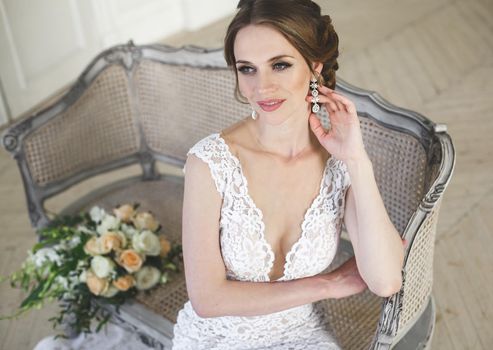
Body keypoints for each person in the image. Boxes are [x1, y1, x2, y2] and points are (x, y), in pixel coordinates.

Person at [173, 0, 405, 348]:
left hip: (299, 337)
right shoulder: (210, 163)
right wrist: (326, 285)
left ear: (314, 67)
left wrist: (357, 159)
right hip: (216, 339)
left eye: (279, 65)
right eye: (247, 69)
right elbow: (208, 300)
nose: (261, 87)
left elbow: (385, 281)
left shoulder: (339, 162)